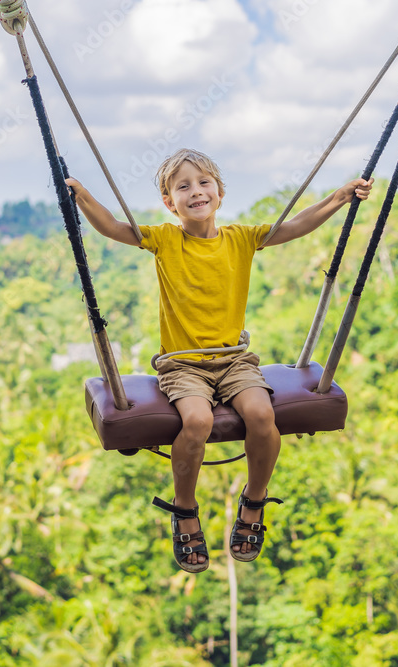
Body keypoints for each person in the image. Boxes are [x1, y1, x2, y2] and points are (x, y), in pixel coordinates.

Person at [66, 149, 372, 573]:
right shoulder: (165, 239)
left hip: (234, 361)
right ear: (171, 204)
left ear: (220, 193)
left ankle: (254, 501)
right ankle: (185, 508)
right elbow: (116, 228)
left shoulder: (242, 238)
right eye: (183, 187)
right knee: (197, 421)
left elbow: (295, 226)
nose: (196, 192)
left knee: (263, 416)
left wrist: (339, 198)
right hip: (184, 364)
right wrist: (80, 196)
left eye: (204, 182)